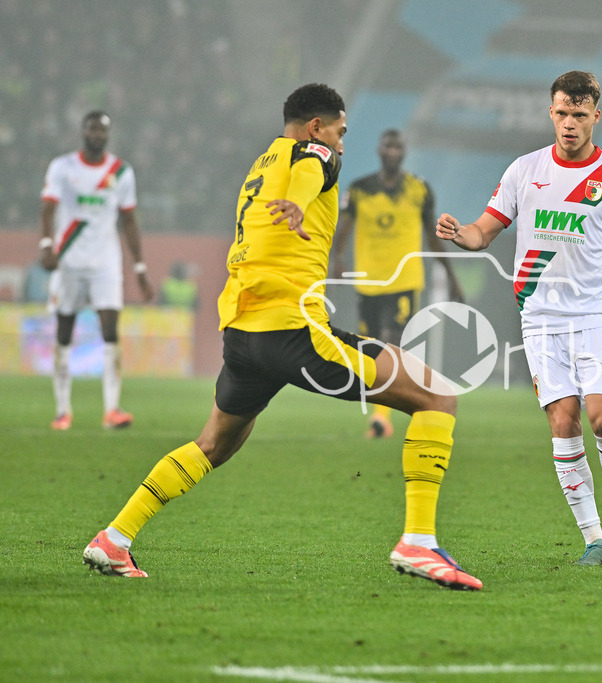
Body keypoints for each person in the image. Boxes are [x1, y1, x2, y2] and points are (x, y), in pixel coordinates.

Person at [82, 83, 482, 591]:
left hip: (244, 334)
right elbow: (314, 167)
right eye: (340, 132)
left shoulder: (262, 162)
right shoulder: (315, 154)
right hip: (294, 329)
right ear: (318, 126)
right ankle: (419, 543)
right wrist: (297, 204)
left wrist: (292, 202)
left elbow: (298, 178)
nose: (342, 143)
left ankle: (116, 536)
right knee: (438, 396)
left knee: (212, 445)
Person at [436, 71, 602, 566]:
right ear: (551, 112)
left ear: (596, 117)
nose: (569, 123)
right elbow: (485, 231)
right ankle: (593, 541)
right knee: (563, 423)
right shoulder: (524, 170)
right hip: (540, 320)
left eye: (579, 115)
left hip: (598, 316)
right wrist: (461, 233)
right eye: (561, 112)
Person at [333, 129, 463, 439]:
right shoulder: (359, 189)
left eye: (398, 146)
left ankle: (381, 418)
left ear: (404, 151)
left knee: (392, 344)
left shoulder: (419, 189)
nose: (392, 150)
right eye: (388, 145)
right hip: (368, 282)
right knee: (372, 347)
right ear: (379, 149)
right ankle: (386, 410)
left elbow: (432, 237)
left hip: (404, 281)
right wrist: (335, 259)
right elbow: (343, 228)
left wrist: (451, 277)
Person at [39, 110, 154, 430]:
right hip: (69, 260)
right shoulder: (63, 168)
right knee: (64, 333)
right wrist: (47, 244)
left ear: (108, 134)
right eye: (92, 129)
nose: (97, 135)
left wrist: (140, 267)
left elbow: (129, 220)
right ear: (83, 132)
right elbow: (47, 209)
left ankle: (112, 410)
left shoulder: (121, 172)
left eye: (102, 130)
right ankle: (62, 411)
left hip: (105, 261)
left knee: (110, 332)